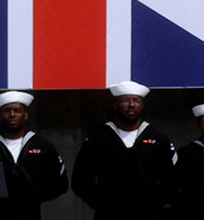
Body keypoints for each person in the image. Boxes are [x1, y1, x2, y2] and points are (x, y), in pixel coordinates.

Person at [72, 81, 176, 219]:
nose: (132, 105)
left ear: (142, 105)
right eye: (126, 100)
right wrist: (102, 204)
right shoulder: (98, 139)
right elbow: (80, 180)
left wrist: (158, 202)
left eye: (137, 100)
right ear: (115, 105)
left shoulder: (158, 139)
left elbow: (174, 177)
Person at [0, 91, 69, 220]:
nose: (12, 115)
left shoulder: (42, 146)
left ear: (25, 115)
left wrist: (34, 196)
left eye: (17, 110)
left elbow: (60, 182)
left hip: (29, 214)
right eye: (7, 111)